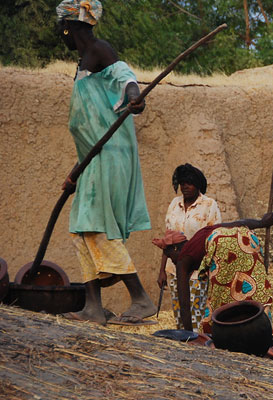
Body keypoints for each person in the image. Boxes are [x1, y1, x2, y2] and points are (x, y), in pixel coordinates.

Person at [57, 0, 156, 326]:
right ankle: (93, 307)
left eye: (62, 29)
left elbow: (124, 76)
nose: (61, 36)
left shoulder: (100, 50)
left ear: (70, 26)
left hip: (111, 153)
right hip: (91, 159)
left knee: (98, 226)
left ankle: (141, 300)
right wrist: (75, 171)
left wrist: (132, 97)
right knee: (81, 228)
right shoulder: (83, 61)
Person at [152, 212, 273, 333]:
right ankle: (261, 331)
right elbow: (240, 223)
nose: (172, 261)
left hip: (221, 245)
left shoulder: (182, 259)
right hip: (246, 237)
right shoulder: (201, 234)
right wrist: (262, 223)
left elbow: (184, 303)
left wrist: (189, 335)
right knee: (251, 290)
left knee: (219, 301)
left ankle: (216, 333)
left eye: (170, 256)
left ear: (175, 249)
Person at [157, 164, 221, 332]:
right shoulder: (174, 204)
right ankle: (184, 346)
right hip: (174, 268)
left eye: (189, 183)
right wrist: (162, 270)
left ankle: (195, 343)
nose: (185, 186)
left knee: (195, 312)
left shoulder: (208, 205)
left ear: (198, 184)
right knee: (179, 312)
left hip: (197, 268)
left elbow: (214, 238)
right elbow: (168, 239)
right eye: (182, 183)